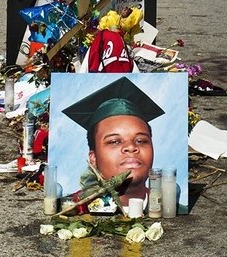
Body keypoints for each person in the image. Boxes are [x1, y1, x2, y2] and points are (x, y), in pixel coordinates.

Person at [63, 77, 161, 208]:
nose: (131, 147)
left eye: (141, 140)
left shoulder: (172, 209)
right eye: (114, 141)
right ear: (93, 158)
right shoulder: (73, 210)